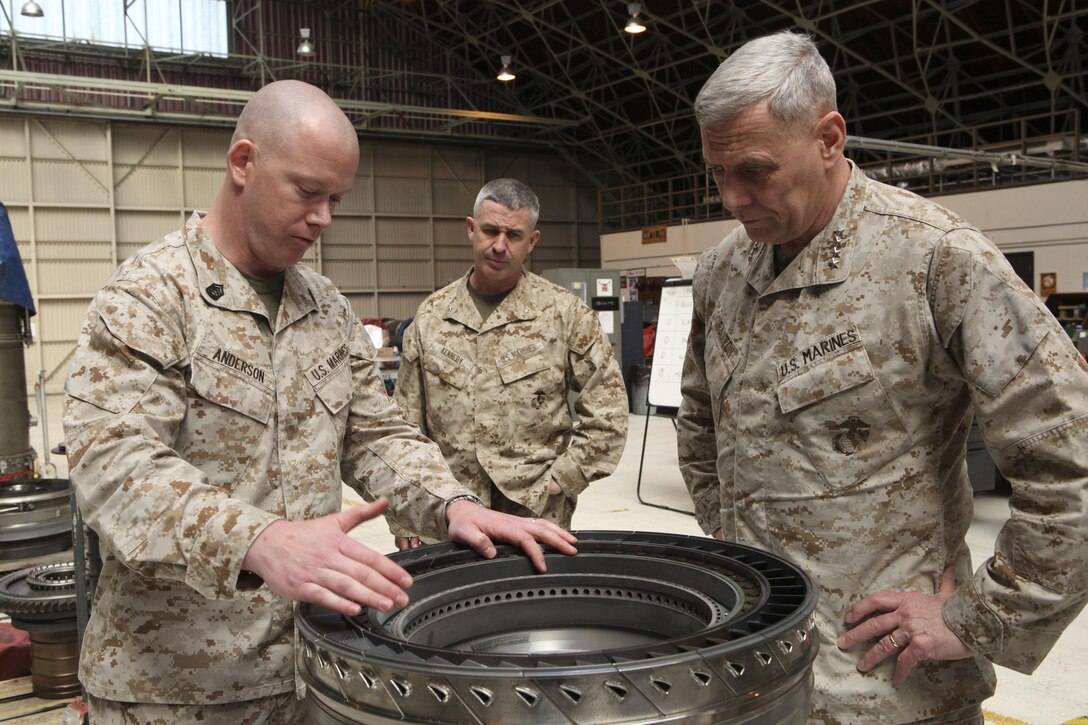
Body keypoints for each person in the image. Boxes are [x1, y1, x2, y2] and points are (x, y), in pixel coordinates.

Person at [62, 81, 577, 724]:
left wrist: (455, 504)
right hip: (176, 691)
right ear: (243, 163)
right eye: (308, 192)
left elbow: (376, 433)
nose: (325, 219)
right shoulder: (151, 297)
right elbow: (113, 465)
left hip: (315, 672)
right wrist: (259, 539)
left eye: (336, 199)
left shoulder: (325, 307)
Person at [677, 30, 1088, 724]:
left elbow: (1071, 456)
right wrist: (746, 556)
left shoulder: (933, 260)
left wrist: (981, 615)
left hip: (886, 689)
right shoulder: (724, 271)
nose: (731, 197)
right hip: (752, 673)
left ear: (829, 138)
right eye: (718, 172)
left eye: (754, 170)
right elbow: (699, 423)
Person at [389, 178, 628, 549]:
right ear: (471, 229)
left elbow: (609, 412)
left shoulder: (564, 315)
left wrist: (562, 479)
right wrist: (404, 512)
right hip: (449, 514)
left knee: (533, 606)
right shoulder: (432, 317)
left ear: (531, 241)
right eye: (490, 231)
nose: (499, 246)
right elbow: (405, 425)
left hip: (534, 514)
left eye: (513, 235)